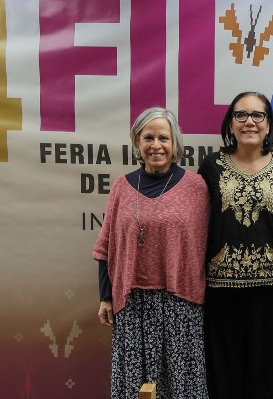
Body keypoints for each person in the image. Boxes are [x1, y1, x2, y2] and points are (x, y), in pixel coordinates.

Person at [92, 107, 210, 399]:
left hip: (180, 304)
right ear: (137, 142)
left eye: (163, 138)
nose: (156, 145)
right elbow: (106, 246)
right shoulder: (120, 187)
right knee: (135, 385)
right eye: (148, 137)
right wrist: (106, 296)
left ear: (175, 144)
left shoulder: (196, 188)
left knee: (180, 384)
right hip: (132, 304)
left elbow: (210, 245)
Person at [198, 91, 273, 399]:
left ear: (269, 125)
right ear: (230, 124)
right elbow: (198, 220)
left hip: (271, 287)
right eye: (241, 115)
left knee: (266, 366)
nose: (249, 122)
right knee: (223, 367)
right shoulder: (211, 166)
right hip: (220, 286)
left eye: (258, 115)